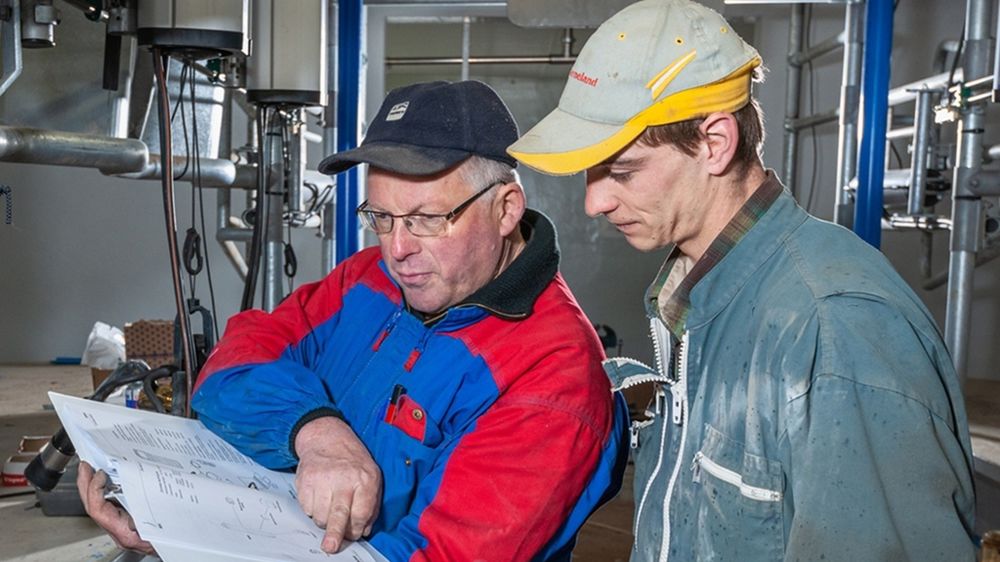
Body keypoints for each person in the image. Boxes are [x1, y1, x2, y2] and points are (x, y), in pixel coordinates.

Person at [78, 80, 628, 561]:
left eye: (426, 219)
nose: (398, 248)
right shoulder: (371, 277)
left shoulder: (552, 379)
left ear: (506, 209)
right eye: (381, 217)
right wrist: (316, 434)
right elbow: (234, 364)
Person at [507, 1, 977, 560]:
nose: (594, 201)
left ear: (714, 143)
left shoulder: (835, 328)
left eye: (623, 170)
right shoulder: (704, 301)